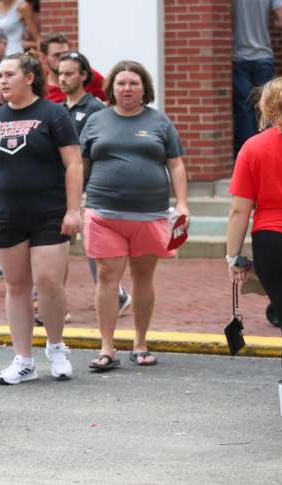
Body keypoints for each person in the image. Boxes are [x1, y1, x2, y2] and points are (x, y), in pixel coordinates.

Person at [80, 60, 189, 371]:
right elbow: (81, 165)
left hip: (149, 214)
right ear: (111, 88)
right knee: (106, 277)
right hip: (103, 212)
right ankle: (107, 346)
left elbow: (176, 165)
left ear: (145, 89)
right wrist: (74, 202)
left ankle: (140, 342)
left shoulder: (159, 122)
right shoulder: (96, 121)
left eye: (134, 83)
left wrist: (182, 204)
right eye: (121, 83)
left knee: (143, 277)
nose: (127, 88)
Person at [0, 51, 81, 384]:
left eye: (10, 74)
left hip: (49, 212)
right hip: (7, 212)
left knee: (49, 281)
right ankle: (23, 358)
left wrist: (73, 209)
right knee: (16, 285)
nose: (3, 80)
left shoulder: (54, 114)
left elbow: (74, 164)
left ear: (29, 77)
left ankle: (56, 346)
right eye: (1, 76)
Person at [227, 77, 282, 444]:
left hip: (273, 242)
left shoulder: (253, 148)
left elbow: (238, 211)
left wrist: (233, 256)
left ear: (266, 108)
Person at [58, 51, 131, 314]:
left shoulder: (96, 109)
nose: (62, 79)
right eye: (60, 73)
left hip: (89, 188)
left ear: (84, 76)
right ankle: (51, 303)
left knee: (93, 246)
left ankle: (116, 294)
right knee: (54, 246)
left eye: (69, 73)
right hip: (58, 186)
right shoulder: (56, 109)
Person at [231, 0, 282, 156]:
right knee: (269, 105)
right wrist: (268, 23)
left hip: (238, 55)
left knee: (244, 107)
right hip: (263, 55)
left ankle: (250, 154)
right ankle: (272, 153)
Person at [41, 32, 106, 103]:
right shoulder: (39, 86)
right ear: (43, 58)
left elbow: (111, 96)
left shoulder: (84, 73)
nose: (62, 59)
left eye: (65, 54)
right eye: (57, 55)